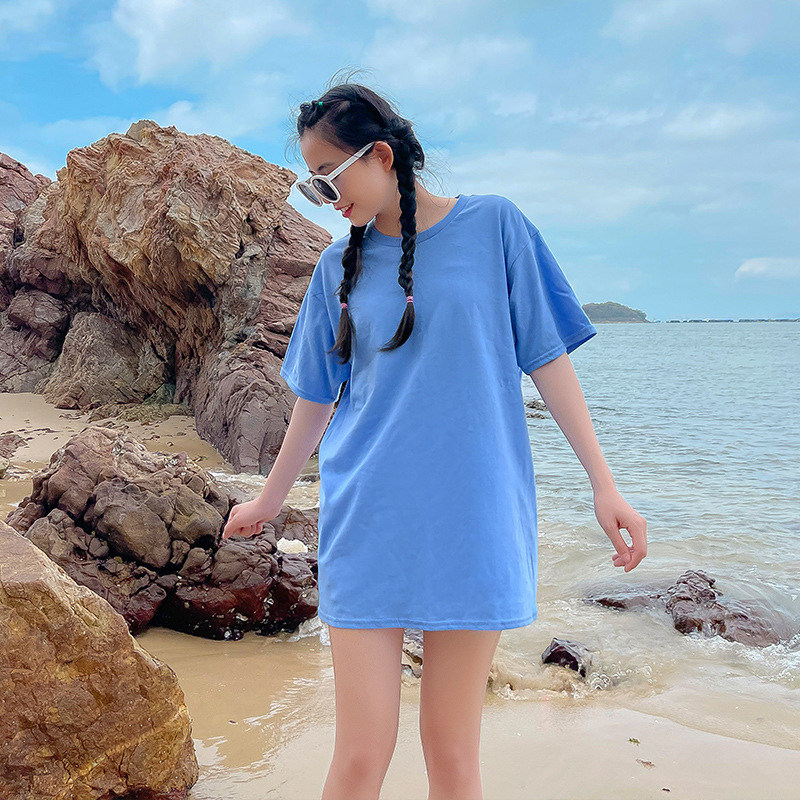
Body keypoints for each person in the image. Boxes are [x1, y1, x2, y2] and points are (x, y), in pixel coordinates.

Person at [222, 74, 647, 800]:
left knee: (452, 754)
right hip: (368, 519)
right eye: (312, 187)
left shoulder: (496, 227)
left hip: (474, 518)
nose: (326, 200)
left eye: (328, 178)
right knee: (361, 755)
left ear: (381, 156)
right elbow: (316, 398)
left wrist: (603, 485)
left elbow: (547, 360)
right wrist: (270, 498)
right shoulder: (336, 268)